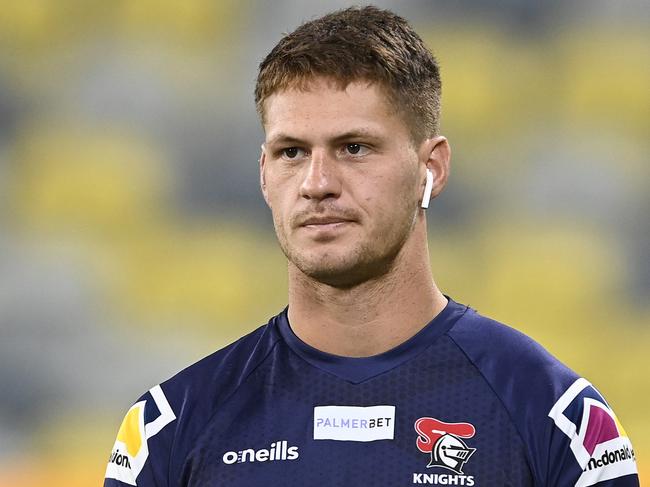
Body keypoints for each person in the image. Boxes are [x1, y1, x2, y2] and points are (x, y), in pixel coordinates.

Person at [104, 6, 639, 487]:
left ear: (431, 167)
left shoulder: (549, 413)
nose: (317, 183)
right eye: (291, 152)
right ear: (264, 174)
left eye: (354, 148)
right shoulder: (173, 426)